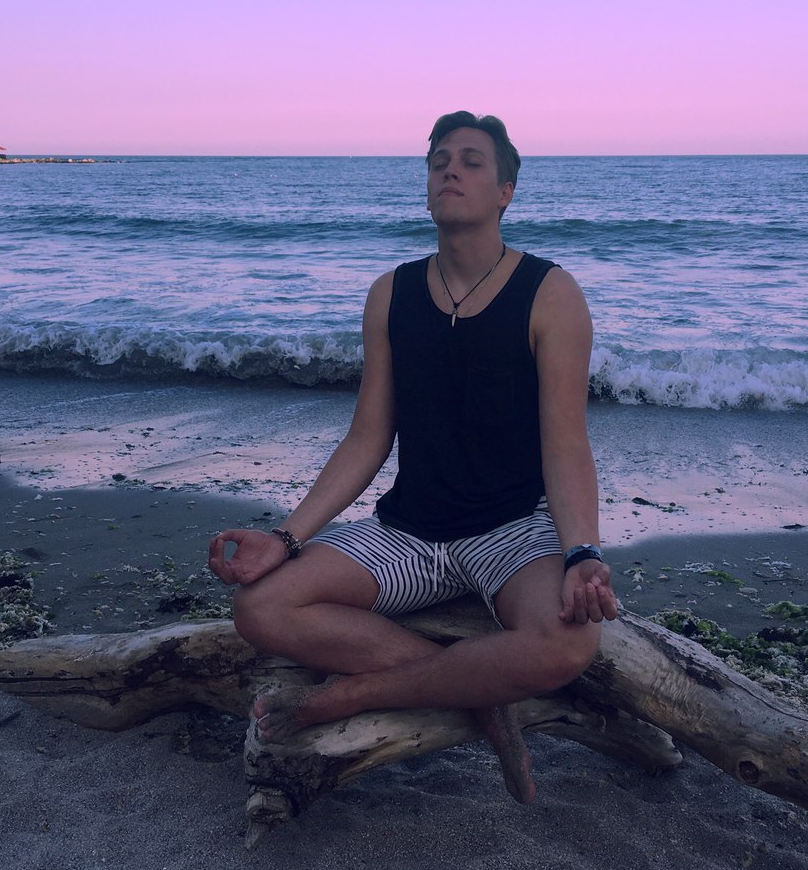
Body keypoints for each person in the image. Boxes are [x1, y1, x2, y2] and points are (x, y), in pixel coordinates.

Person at [209, 111, 616, 802]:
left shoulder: (550, 293)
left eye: (471, 161)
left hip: (512, 531)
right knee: (260, 608)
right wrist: (286, 536)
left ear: (505, 191)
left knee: (569, 642)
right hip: (407, 532)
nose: (450, 170)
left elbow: (567, 443)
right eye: (438, 162)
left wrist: (582, 551)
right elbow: (368, 437)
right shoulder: (391, 294)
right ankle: (484, 698)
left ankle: (352, 695)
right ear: (428, 188)